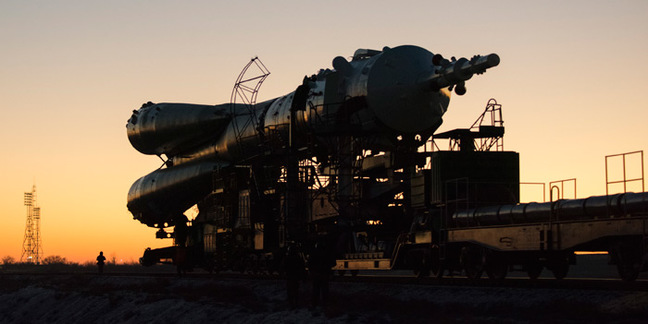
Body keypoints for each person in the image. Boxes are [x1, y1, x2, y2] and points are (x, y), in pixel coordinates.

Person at [308, 240, 336, 307]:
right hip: (324, 274)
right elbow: (333, 263)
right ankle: (325, 303)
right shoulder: (327, 253)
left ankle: (314, 303)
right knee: (325, 290)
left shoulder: (313, 253)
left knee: (315, 290)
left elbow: (309, 264)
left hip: (316, 274)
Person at [283, 245, 306, 309]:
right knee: (296, 290)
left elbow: (283, 266)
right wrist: (303, 277)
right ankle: (296, 303)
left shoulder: (287, 258)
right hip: (296, 276)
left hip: (290, 276)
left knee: (290, 291)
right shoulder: (298, 258)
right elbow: (302, 267)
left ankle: (291, 304)